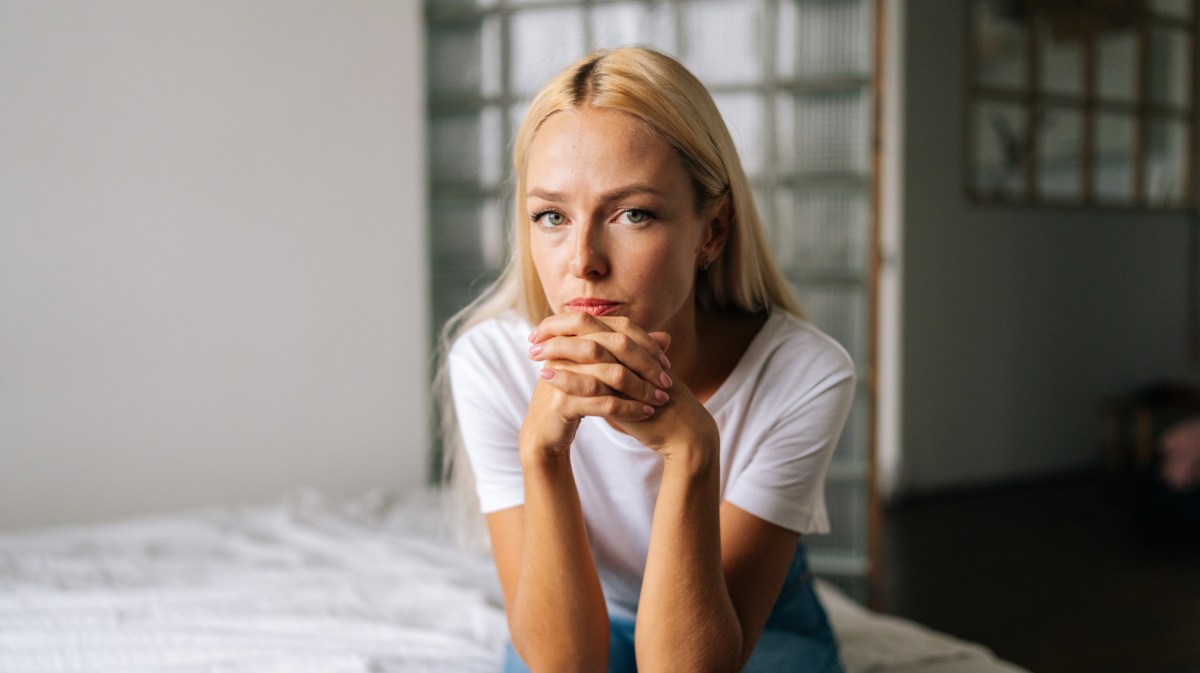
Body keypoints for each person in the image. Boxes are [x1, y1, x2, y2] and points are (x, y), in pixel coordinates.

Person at [443, 46, 855, 673]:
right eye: (551, 215)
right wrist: (542, 451)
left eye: (633, 213)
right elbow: (562, 665)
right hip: (588, 611)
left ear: (710, 232)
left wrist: (692, 451)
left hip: (747, 620)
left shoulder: (803, 375)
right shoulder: (492, 361)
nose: (583, 260)